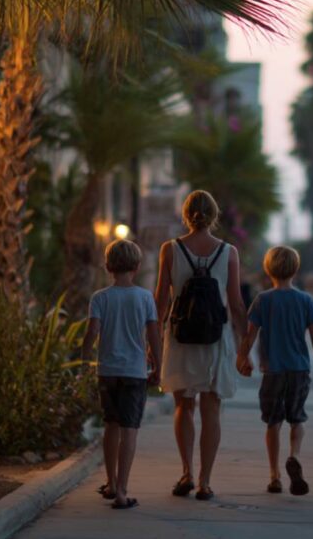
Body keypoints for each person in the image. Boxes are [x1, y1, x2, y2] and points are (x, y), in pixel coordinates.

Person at [155, 190, 246, 501]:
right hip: (215, 339)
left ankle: (186, 473)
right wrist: (246, 346)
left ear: (186, 214)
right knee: (212, 409)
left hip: (180, 338)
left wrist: (151, 344)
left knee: (184, 406)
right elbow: (235, 304)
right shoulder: (229, 252)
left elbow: (160, 303)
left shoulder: (170, 249)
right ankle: (205, 482)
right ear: (215, 215)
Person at [237, 246, 313, 496]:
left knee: (273, 422)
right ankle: (295, 456)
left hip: (272, 371)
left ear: (268, 269)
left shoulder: (263, 300)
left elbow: (250, 335)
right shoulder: (305, 300)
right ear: (296, 269)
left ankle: (274, 476)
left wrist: (243, 357)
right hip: (299, 370)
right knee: (297, 418)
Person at [80, 239, 161, 510]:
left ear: (108, 266)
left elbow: (91, 332)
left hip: (108, 372)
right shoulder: (145, 298)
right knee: (130, 430)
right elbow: (153, 335)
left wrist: (83, 361)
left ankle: (111, 482)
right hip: (134, 372)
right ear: (137, 267)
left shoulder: (100, 297)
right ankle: (123, 492)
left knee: (110, 425)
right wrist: (159, 366)